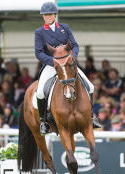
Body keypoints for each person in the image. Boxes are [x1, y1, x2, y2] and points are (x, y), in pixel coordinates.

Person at [34, 2, 100, 135]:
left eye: (50, 14)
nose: (48, 17)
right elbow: (39, 53)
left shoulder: (65, 28)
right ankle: (44, 122)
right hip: (51, 65)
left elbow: (75, 45)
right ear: (43, 17)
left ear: (55, 15)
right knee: (40, 92)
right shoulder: (39, 32)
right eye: (45, 15)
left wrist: (71, 59)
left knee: (91, 87)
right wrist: (54, 61)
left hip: (68, 65)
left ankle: (90, 117)